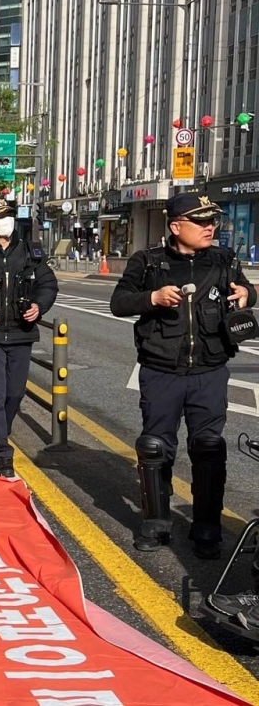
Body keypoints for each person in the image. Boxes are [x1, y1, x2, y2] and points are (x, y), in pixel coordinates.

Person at [110, 193, 255, 559]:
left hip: (210, 370)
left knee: (209, 448)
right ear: (176, 226)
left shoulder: (224, 260)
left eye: (212, 221)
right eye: (200, 221)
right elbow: (119, 302)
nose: (210, 227)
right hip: (161, 371)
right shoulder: (148, 262)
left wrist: (246, 293)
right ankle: (156, 523)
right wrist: (153, 298)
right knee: (155, 448)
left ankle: (207, 528)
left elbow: (246, 292)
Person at [0, 197, 58, 478]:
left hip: (21, 334)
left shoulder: (30, 253)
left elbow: (48, 284)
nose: (7, 221)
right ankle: (3, 453)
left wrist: (39, 305)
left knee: (14, 394)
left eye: (9, 215)